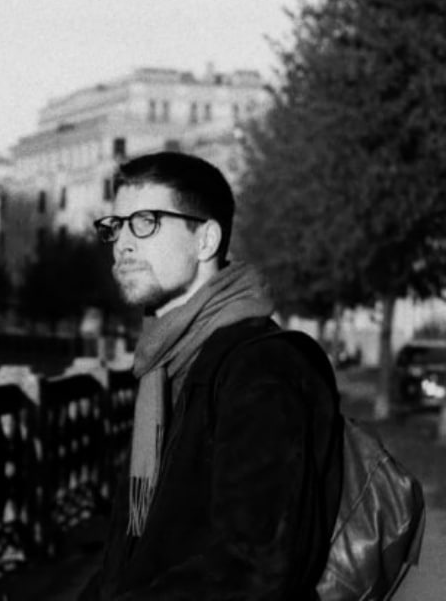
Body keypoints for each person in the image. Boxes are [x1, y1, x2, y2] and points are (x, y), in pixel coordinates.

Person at [80, 151, 344, 600]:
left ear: (205, 240)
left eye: (145, 222)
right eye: (116, 226)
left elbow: (254, 566)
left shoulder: (262, 367)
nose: (122, 243)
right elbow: (136, 550)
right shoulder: (164, 363)